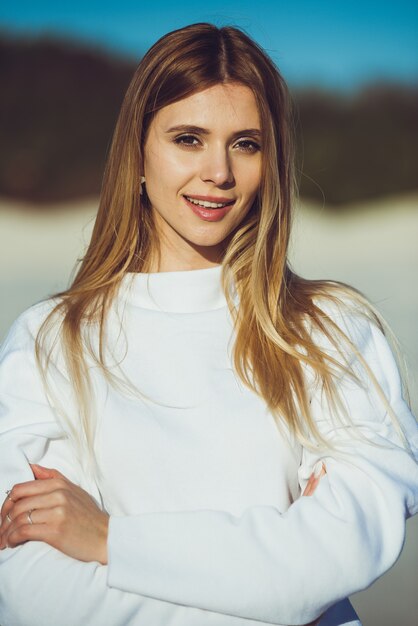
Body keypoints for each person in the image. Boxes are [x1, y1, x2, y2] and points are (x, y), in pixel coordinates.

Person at [0, 22, 417, 626]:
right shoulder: (51, 342)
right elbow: (34, 596)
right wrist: (271, 581)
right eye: (188, 139)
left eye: (245, 143)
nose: (218, 172)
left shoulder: (329, 330)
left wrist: (113, 542)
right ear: (138, 154)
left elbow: (334, 557)